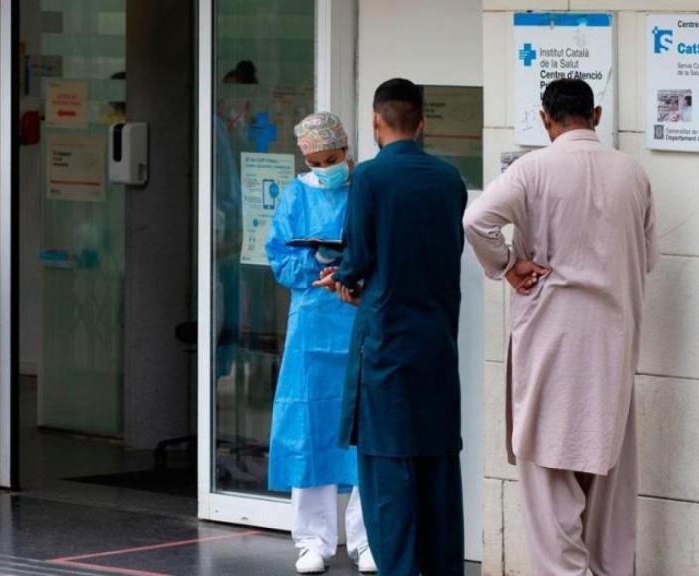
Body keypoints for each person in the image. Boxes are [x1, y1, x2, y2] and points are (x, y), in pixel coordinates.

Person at [463, 78, 657, 575]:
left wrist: (508, 264)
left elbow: (476, 220)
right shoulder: (633, 175)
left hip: (551, 339)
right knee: (609, 485)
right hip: (614, 342)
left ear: (546, 120)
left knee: (550, 478)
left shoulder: (532, 169)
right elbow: (648, 258)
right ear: (594, 115)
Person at [316, 78, 467, 575]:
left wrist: (341, 277)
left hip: (385, 346)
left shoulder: (371, 180)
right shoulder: (450, 180)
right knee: (438, 470)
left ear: (376, 121)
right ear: (422, 122)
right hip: (438, 344)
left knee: (388, 477)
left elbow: (358, 257)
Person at [265, 112, 376, 575]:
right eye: (316, 161)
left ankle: (367, 539)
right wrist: (316, 264)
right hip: (312, 325)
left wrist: (350, 267)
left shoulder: (366, 189)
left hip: (356, 319)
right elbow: (280, 260)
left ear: (346, 150)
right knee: (310, 429)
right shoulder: (296, 195)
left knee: (364, 431)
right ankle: (312, 540)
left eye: (332, 159)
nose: (325, 167)